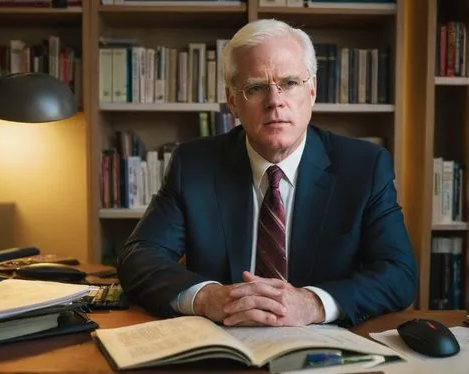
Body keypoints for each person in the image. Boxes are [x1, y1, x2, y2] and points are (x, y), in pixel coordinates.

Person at [117, 19, 418, 327]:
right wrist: (207, 297)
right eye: (256, 87)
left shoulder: (364, 166)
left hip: (325, 350)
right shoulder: (194, 164)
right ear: (233, 102)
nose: (275, 102)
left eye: (289, 83)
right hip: (223, 342)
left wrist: (313, 304)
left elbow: (399, 274)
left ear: (311, 91)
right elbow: (139, 257)